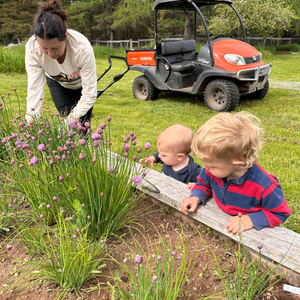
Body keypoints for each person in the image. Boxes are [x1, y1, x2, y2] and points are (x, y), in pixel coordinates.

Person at [180, 112, 292, 234]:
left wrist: (250, 219)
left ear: (237, 164)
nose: (205, 168)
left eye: (211, 166)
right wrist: (196, 197)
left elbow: (280, 212)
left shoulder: (265, 186)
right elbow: (203, 184)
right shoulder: (211, 171)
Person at [25, 0, 97, 124]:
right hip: (58, 84)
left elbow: (89, 94)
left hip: (81, 84)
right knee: (68, 124)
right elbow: (34, 90)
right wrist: (31, 121)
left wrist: (72, 118)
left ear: (66, 36)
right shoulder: (32, 49)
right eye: (45, 48)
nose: (51, 54)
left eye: (55, 48)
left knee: (83, 125)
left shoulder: (82, 48)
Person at [140, 124, 201, 189]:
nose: (159, 156)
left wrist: (196, 185)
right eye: (160, 153)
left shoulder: (193, 170)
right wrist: (153, 158)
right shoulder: (171, 159)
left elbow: (204, 182)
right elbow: (159, 156)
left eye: (163, 155)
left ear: (179, 157)